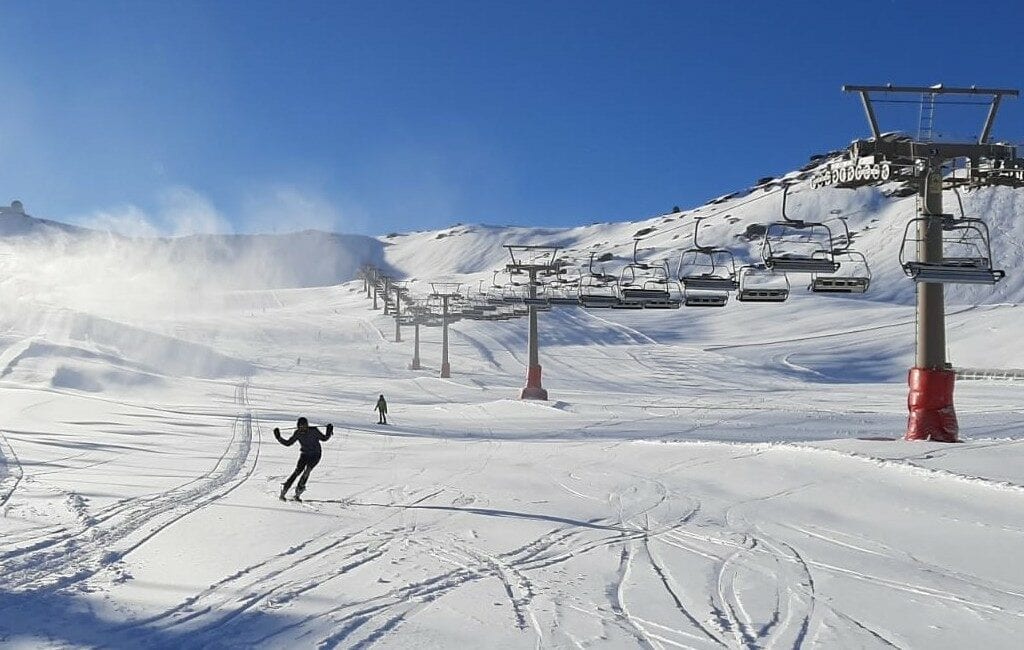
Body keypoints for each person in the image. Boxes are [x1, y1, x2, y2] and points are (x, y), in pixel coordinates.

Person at [274, 417, 333, 501]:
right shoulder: (297, 433)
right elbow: (288, 443)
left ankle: (298, 493)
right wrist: (278, 437)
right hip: (304, 455)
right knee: (297, 472)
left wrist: (329, 431)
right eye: (300, 427)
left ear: (307, 425)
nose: (302, 429)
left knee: (307, 471)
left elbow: (324, 438)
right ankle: (284, 491)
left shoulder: (314, 431)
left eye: (303, 426)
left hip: (315, 455)